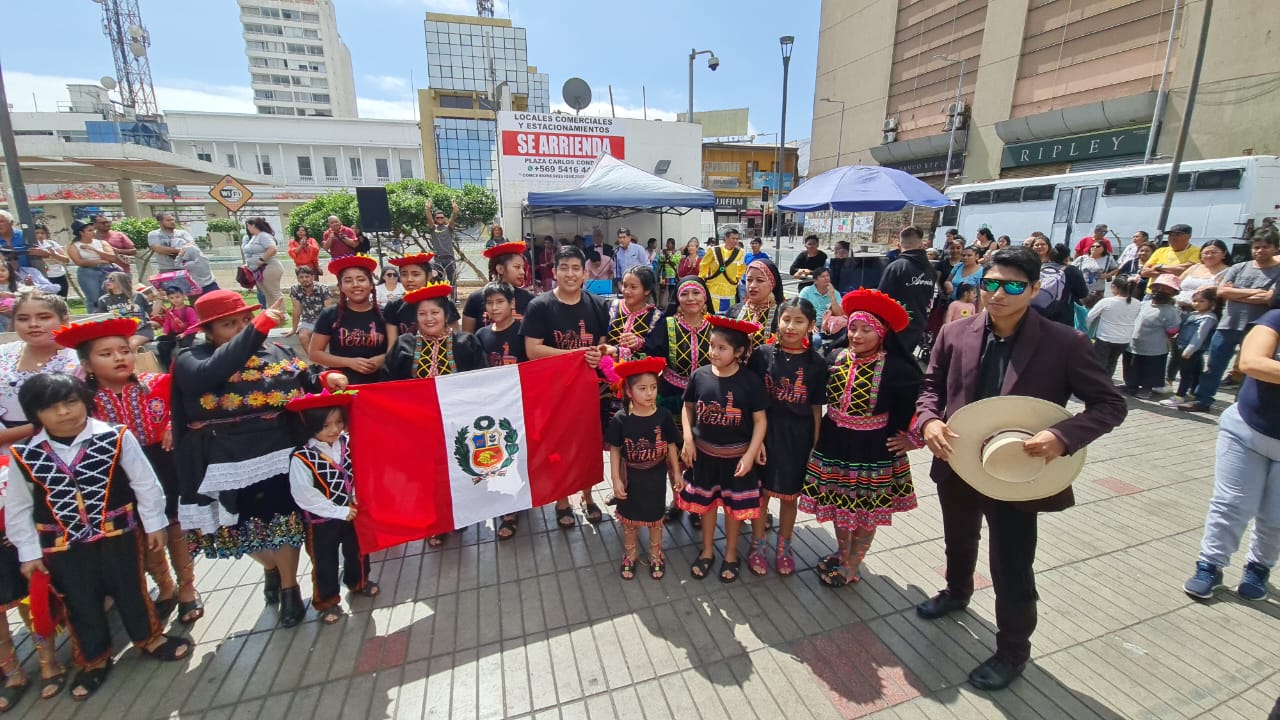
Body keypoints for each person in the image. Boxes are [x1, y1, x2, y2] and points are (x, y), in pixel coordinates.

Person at [914, 246, 1126, 691]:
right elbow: (930, 386)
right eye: (990, 283)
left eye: (1013, 286)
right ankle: (956, 592)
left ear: (1033, 289)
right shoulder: (955, 333)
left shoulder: (1065, 342)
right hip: (959, 461)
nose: (999, 293)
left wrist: (1063, 437)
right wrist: (929, 419)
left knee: (1011, 564)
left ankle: (1012, 650)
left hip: (1020, 471)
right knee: (959, 537)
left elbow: (1110, 405)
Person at [5, 373, 193, 701]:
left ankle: (150, 638)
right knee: (79, 600)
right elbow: (19, 508)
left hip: (118, 533)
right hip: (61, 546)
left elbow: (144, 482)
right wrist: (29, 553)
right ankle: (93, 659)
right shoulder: (24, 455)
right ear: (36, 413)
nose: (64, 412)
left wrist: (154, 524)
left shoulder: (116, 436)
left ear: (85, 401)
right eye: (51, 407)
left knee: (132, 588)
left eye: (71, 401)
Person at [172, 290, 347, 629]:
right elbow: (211, 373)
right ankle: (270, 568)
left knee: (285, 524)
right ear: (208, 331)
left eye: (244, 321)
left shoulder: (274, 349)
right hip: (224, 460)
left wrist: (325, 378)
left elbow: (302, 378)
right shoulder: (191, 357)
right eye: (229, 324)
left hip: (279, 452)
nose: (240, 328)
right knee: (235, 529)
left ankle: (289, 587)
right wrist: (260, 327)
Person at [54, 316, 203, 626]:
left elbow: (189, 406)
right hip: (112, 476)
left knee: (175, 530)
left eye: (124, 350)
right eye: (106, 354)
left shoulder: (159, 384)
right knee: (142, 535)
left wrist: (174, 424)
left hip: (162, 464)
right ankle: (165, 587)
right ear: (87, 364)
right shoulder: (81, 401)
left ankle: (188, 588)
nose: (119, 358)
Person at [802, 289, 923, 587]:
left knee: (865, 512)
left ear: (882, 333)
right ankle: (843, 555)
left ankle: (853, 566)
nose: (856, 335)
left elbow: (920, 406)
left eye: (866, 329)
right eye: (853, 327)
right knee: (839, 506)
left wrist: (912, 439)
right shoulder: (835, 357)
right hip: (834, 443)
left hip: (874, 449)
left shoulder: (899, 369)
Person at [1183, 293, 1280, 602]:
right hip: (1247, 430)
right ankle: (1210, 565)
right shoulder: (1274, 320)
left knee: (1276, 515)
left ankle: (1259, 567)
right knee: (1233, 503)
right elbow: (1251, 362)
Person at [521, 245, 611, 528]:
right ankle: (562, 500)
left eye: (576, 268)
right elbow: (533, 350)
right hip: (553, 393)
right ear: (554, 272)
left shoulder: (597, 304)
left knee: (588, 444)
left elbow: (602, 344)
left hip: (588, 391)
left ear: (584, 273)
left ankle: (587, 496)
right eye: (564, 268)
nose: (570, 274)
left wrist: (600, 353)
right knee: (557, 445)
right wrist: (576, 356)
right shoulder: (539, 306)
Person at [677, 315, 768, 583]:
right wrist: (688, 439)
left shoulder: (750, 382)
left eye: (722, 348)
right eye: (711, 345)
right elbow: (688, 408)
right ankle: (706, 551)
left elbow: (761, 421)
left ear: (739, 352)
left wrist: (750, 454)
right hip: (704, 457)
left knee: (733, 510)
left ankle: (730, 554)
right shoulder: (699, 375)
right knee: (706, 508)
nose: (714, 352)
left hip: (736, 460)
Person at [746, 298, 828, 577]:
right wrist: (753, 443)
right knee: (760, 494)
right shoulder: (762, 354)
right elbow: (752, 403)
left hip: (798, 437)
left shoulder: (817, 363)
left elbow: (816, 408)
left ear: (811, 325)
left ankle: (784, 546)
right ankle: (758, 545)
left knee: (789, 497)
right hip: (765, 434)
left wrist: (814, 447)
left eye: (799, 321)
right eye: (786, 319)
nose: (791, 326)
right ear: (777, 321)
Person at [285, 390, 378, 624]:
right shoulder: (302, 457)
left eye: (338, 422)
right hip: (321, 520)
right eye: (326, 425)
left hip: (352, 511)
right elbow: (304, 494)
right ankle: (327, 601)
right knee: (324, 560)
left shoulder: (347, 443)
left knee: (358, 550)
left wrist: (355, 497)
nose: (334, 430)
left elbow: (360, 471)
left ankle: (359, 581)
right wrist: (338, 511)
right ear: (311, 425)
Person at [1180, 229, 1280, 412]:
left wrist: (1237, 294)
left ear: (1276, 248)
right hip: (1228, 323)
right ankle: (1202, 400)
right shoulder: (1239, 267)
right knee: (1214, 365)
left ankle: (1240, 406)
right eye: (1256, 247)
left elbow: (1269, 298)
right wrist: (1253, 293)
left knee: (1248, 369)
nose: (1259, 251)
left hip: (1258, 328)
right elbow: (1222, 292)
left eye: (1265, 247)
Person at [603, 356, 683, 580]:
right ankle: (630, 554)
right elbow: (616, 449)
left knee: (655, 519)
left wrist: (676, 472)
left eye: (653, 387)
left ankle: (656, 553)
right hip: (631, 477)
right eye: (642, 388)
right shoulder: (621, 419)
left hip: (656, 477)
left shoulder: (663, 416)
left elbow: (671, 445)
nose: (649, 393)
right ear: (629, 391)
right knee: (629, 520)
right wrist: (615, 479)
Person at [645, 276, 713, 528]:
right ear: (678, 300)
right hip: (672, 396)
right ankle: (676, 502)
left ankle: (697, 504)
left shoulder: (715, 326)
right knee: (672, 455)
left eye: (696, 293)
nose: (691, 299)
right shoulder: (668, 324)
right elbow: (649, 354)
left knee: (703, 454)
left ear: (705, 298)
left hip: (708, 398)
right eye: (685, 294)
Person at [0, 294, 79, 454]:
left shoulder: (79, 360)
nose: (33, 324)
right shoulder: (3, 353)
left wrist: (21, 431)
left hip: (65, 447)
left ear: (64, 320)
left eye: (44, 317)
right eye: (23, 319)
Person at [310, 255, 388, 386]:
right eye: (348, 281)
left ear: (371, 284)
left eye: (361, 279)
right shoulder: (330, 314)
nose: (355, 285)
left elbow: (397, 348)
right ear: (340, 286)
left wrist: (382, 359)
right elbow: (315, 353)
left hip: (382, 384)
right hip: (342, 384)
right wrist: (349, 362)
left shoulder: (386, 314)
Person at [878, 226, 938, 352]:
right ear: (921, 245)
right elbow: (929, 299)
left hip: (895, 330)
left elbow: (881, 301)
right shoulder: (931, 270)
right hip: (918, 326)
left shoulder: (896, 267)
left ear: (899, 245)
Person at [1124, 274, 1182, 398]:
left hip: (1155, 349)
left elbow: (1172, 330)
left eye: (1165, 289)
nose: (1159, 291)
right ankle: (1131, 386)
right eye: (1157, 287)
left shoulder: (1170, 311)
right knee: (1132, 367)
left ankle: (1146, 389)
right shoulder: (1144, 304)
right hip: (1134, 345)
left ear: (1172, 293)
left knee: (1150, 370)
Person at [1162, 287, 1221, 407]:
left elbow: (1199, 336)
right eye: (1195, 301)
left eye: (1201, 301)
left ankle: (1180, 396)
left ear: (1212, 303)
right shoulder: (1193, 314)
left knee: (1186, 374)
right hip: (1183, 346)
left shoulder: (1208, 318)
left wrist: (1190, 349)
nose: (1197, 304)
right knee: (1195, 372)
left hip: (1191, 350)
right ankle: (1193, 392)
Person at [462, 240, 533, 333]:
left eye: (523, 268)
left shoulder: (529, 299)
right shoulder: (475, 298)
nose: (522, 272)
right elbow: (467, 337)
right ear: (500, 269)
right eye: (517, 267)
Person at [1087, 276, 1142, 378]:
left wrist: (1087, 331)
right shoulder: (1138, 303)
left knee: (1098, 364)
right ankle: (1107, 383)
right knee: (1112, 362)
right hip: (1124, 339)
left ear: (1114, 287)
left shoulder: (1107, 301)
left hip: (1105, 338)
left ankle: (1097, 384)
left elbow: (1089, 317)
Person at [66, 220, 124, 311]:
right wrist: (100, 260)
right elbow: (79, 262)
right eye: (90, 230)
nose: (94, 232)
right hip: (88, 272)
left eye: (93, 230)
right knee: (93, 298)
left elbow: (112, 257)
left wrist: (94, 249)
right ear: (81, 233)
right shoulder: (73, 246)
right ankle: (95, 319)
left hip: (106, 270)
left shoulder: (101, 243)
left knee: (110, 295)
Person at [1029, 237, 1088, 327]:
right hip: (1062, 315)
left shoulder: (1039, 267)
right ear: (1067, 257)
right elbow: (1083, 293)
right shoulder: (1072, 270)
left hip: (1037, 311)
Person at [728, 259, 786, 349]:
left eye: (760, 280)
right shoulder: (734, 311)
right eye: (749, 280)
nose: (752, 285)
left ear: (772, 283)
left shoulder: (782, 315)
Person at [382, 252, 435, 343]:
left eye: (416, 274)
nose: (409, 279)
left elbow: (453, 341)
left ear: (429, 276)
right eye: (404, 274)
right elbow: (392, 345)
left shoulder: (444, 304)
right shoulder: (394, 306)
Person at [96, 272, 155, 350]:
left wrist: (159, 299)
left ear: (121, 281)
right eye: (106, 279)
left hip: (141, 331)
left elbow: (152, 312)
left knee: (130, 345)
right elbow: (100, 320)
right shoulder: (103, 300)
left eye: (111, 279)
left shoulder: (138, 296)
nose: (107, 281)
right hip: (118, 333)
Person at [476, 282, 527, 368]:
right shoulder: (481, 335)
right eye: (489, 302)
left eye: (500, 302)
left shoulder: (524, 332)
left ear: (512, 303)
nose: (494, 307)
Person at [285, 266, 333, 357]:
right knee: (303, 336)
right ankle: (315, 361)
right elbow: (296, 310)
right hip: (307, 320)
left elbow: (329, 309)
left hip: (323, 320)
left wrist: (329, 326)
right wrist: (294, 329)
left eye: (307, 277)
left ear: (312, 277)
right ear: (298, 279)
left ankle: (323, 360)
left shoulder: (323, 288)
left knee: (323, 338)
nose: (304, 279)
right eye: (301, 277)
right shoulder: (295, 289)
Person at [1142, 224, 1201, 292]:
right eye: (1170, 235)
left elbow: (1186, 270)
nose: (1173, 238)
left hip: (1175, 294)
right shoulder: (1160, 251)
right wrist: (1174, 273)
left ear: (1188, 237)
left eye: (1177, 235)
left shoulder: (1197, 251)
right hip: (1152, 292)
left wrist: (1159, 266)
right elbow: (1144, 272)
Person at [698, 229, 746, 313]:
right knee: (713, 314)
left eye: (736, 239)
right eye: (733, 238)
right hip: (714, 288)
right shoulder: (714, 250)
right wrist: (702, 278)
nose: (735, 241)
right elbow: (704, 264)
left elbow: (742, 267)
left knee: (729, 314)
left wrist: (737, 278)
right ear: (726, 238)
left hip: (730, 289)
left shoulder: (740, 252)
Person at [1176, 239, 1232, 308]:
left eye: (1214, 252)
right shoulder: (1194, 267)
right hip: (1177, 306)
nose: (1209, 256)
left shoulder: (1229, 271)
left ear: (1224, 254)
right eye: (1206, 253)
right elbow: (1176, 284)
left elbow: (1225, 293)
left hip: (1203, 312)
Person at [242, 217, 284, 308]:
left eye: (248, 226)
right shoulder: (254, 237)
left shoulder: (263, 235)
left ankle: (282, 314)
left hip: (269, 267)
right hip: (258, 270)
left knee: (274, 292)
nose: (247, 228)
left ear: (253, 225)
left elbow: (272, 248)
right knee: (267, 293)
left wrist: (261, 259)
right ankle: (271, 313)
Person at [156, 286, 198, 368]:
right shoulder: (170, 311)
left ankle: (185, 366)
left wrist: (185, 333)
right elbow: (167, 323)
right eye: (172, 298)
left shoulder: (189, 310)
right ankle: (168, 368)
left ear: (183, 296)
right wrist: (165, 333)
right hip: (174, 333)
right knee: (161, 346)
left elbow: (194, 324)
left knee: (184, 347)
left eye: (177, 297)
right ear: (168, 299)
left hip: (187, 333)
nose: (175, 300)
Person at [1072, 238, 1119, 304]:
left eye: (1098, 246)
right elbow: (1071, 268)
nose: (1094, 248)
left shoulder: (1108, 259)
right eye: (1092, 246)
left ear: (1103, 248)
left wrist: (1107, 275)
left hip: (1097, 290)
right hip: (1082, 289)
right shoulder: (1082, 258)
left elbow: (1116, 269)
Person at [29, 225, 70, 298]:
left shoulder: (51, 244)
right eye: (37, 233)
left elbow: (66, 259)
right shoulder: (32, 246)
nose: (40, 235)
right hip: (44, 278)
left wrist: (53, 254)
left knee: (62, 300)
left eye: (42, 233)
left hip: (59, 276)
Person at [91, 214, 135, 280]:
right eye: (103, 223)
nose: (107, 224)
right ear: (94, 224)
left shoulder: (119, 235)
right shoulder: (91, 238)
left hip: (122, 272)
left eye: (108, 222)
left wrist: (118, 251)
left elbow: (133, 251)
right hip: (100, 274)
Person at [424, 199, 458, 283]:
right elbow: (429, 219)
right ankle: (441, 297)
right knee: (438, 282)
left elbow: (453, 218)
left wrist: (454, 210)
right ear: (435, 219)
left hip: (449, 259)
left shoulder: (449, 228)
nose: (440, 219)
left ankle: (453, 296)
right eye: (437, 217)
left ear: (444, 218)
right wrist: (427, 209)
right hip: (438, 260)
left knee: (452, 282)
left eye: (441, 217)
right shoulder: (433, 228)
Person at [656, 238, 680, 307]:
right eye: (667, 243)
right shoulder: (662, 251)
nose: (666, 245)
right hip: (663, 274)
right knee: (662, 290)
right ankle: (660, 305)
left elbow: (675, 261)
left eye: (668, 243)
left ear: (673, 244)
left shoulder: (677, 252)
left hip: (672, 275)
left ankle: (670, 306)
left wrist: (668, 257)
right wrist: (666, 257)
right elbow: (660, 260)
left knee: (671, 290)